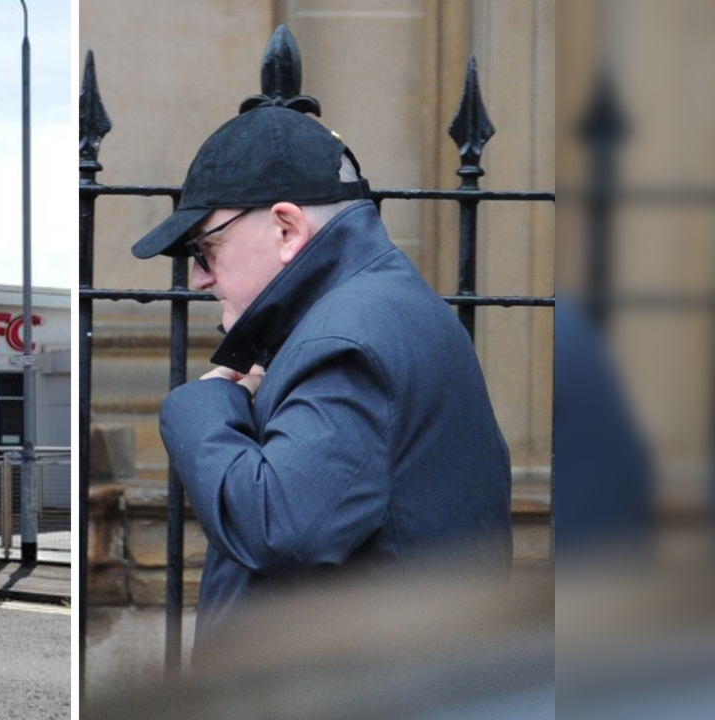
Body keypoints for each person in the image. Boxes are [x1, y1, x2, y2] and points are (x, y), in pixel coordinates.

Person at [131, 98, 514, 652]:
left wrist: (201, 403)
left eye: (205, 249)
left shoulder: (344, 340)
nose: (196, 277)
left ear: (287, 229)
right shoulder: (375, 307)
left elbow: (276, 526)